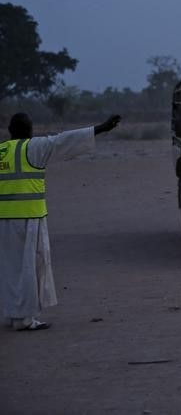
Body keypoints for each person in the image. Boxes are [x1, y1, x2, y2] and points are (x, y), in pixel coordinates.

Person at [0, 113, 121, 331]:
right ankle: (25, 319)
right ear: (29, 130)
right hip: (29, 218)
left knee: (10, 269)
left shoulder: (2, 151)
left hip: (4, 221)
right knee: (30, 269)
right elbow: (65, 140)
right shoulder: (34, 147)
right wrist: (101, 128)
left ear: (10, 130)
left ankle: (12, 313)